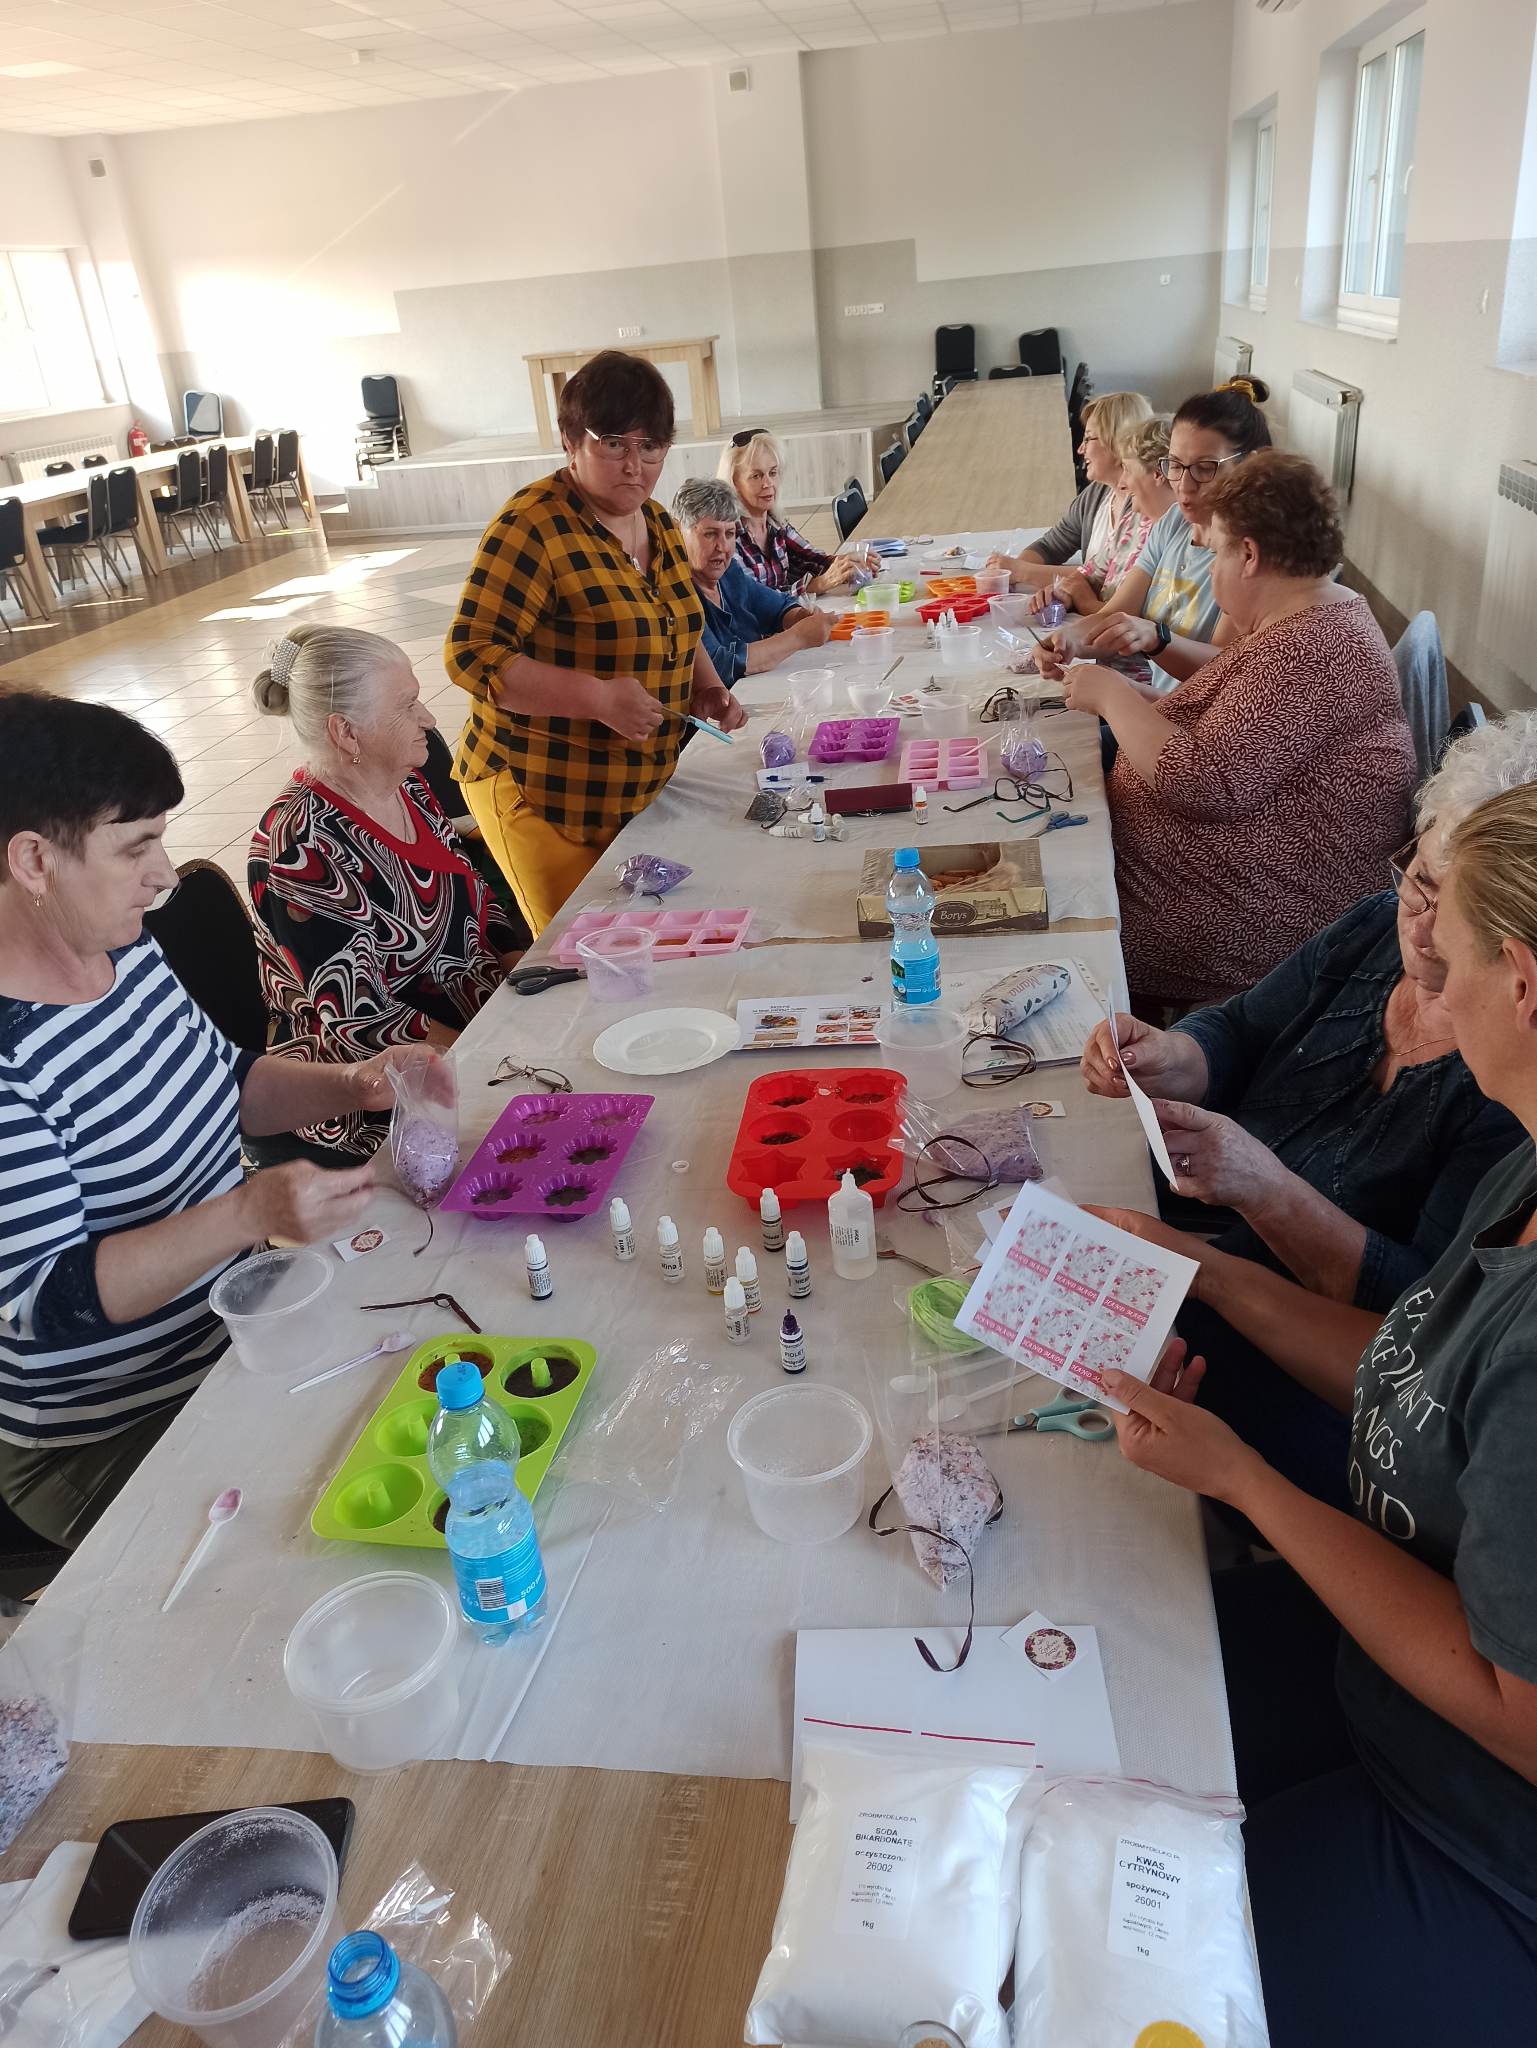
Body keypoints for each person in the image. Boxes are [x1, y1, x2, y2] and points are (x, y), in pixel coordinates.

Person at [1093, 781, 1537, 2046]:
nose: (1425, 1000)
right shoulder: (1526, 1155)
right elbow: (1412, 1364)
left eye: (1442, 965)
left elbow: (1516, 1706)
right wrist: (1206, 1268)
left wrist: (1249, 1483)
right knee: (1090, 1681)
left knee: (1140, 1975)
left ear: (1523, 980)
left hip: (1482, 1835)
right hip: (1385, 1690)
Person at [1082, 712, 1537, 1502]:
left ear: (1517, 970)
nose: (1423, 930)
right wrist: (1173, 1056)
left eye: (1453, 913)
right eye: (1421, 880)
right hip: (1242, 1276)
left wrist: (1257, 1189)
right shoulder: (1371, 928)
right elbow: (1241, 1026)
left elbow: (1421, 1325)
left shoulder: (1506, 1094)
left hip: (1325, 1378)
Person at [0, 693, 406, 1549]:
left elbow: (225, 1080)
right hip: (111, 1421)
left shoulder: (120, 946)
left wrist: (356, 1084)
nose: (164, 874)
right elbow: (51, 1301)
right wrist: (248, 1214)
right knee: (321, 1534)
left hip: (236, 1322)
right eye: (136, 846)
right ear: (34, 859)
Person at [1063, 450, 1416, 1009]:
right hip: (1222, 896)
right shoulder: (1305, 620)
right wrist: (1136, 701)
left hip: (1248, 930)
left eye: (1215, 550)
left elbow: (1204, 782)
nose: (1211, 563)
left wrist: (1111, 695)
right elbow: (1227, 727)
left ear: (1248, 555)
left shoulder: (1311, 648)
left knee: (1032, 928)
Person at [445, 350, 746, 937]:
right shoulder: (532, 526)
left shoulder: (655, 521)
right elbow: (472, 653)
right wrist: (598, 699)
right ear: (569, 440)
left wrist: (706, 686)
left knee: (654, 938)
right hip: (540, 789)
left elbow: (671, 624)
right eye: (614, 444)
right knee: (583, 954)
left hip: (627, 789)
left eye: (651, 447)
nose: (635, 465)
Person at [250, 627, 524, 1159]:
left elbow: (475, 899)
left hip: (480, 1021)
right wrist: (495, 1051)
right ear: (347, 733)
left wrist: (518, 968)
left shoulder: (407, 785)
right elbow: (362, 1021)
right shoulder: (299, 849)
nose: (429, 718)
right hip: (383, 1088)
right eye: (408, 706)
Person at [1036, 377, 1274, 689]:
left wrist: (1155, 639)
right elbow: (1117, 614)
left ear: (1251, 466)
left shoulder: (1249, 554)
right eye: (1175, 466)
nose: (1185, 487)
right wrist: (1067, 641)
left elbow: (1223, 671)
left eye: (1205, 469)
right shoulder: (1173, 521)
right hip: (1162, 708)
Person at [984, 390, 1153, 595]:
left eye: (1089, 439)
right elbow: (1050, 546)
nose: (1081, 449)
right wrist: (1009, 572)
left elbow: (1108, 578)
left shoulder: (1145, 506)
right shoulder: (1097, 494)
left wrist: (1023, 571)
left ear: (1117, 443)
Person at [671, 477, 833, 683]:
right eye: (710, 534)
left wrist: (799, 616)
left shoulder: (729, 574)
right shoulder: (676, 593)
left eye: (729, 534)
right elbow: (722, 664)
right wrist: (798, 637)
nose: (722, 547)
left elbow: (778, 606)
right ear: (677, 533)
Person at [1032, 415, 1175, 620]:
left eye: (1127, 469)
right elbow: (1086, 576)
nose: (1123, 483)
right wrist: (1065, 594)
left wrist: (1086, 602)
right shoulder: (1133, 521)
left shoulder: (1176, 538)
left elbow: (1138, 623)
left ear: (1158, 474)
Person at [720, 430, 874, 595]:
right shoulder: (727, 537)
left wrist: (850, 564)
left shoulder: (775, 523)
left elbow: (813, 559)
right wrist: (815, 586)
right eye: (756, 476)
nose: (768, 483)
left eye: (773, 473)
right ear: (734, 483)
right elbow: (755, 602)